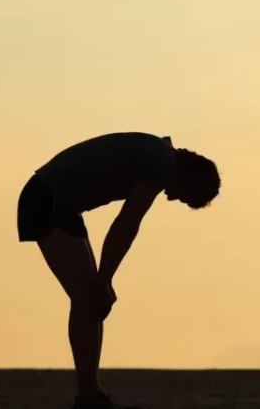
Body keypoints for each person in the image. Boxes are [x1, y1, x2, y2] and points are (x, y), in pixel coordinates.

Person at [16, 132, 221, 409]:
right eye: (183, 196)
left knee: (92, 301)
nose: (172, 198)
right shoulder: (161, 163)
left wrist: (103, 281)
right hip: (44, 200)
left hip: (61, 206)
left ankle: (91, 394)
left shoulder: (161, 155)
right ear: (188, 176)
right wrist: (104, 280)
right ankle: (88, 398)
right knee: (87, 298)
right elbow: (126, 225)